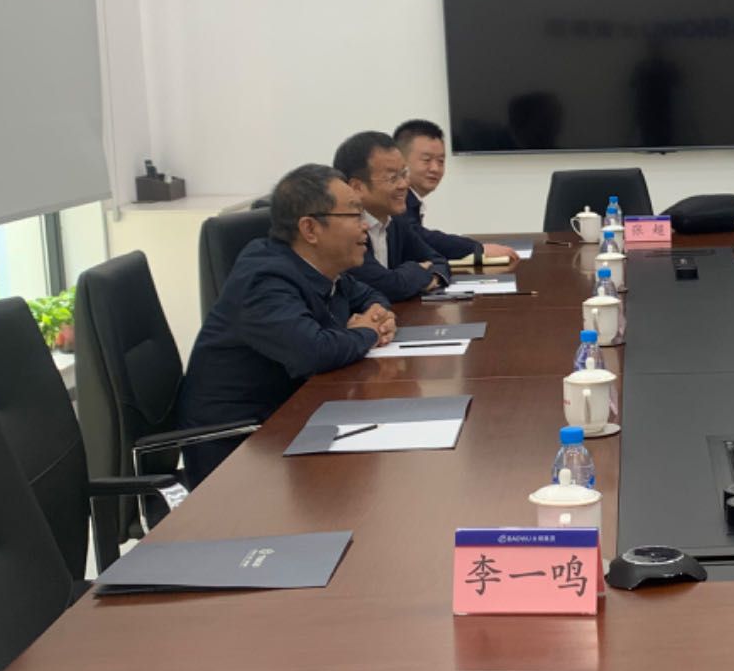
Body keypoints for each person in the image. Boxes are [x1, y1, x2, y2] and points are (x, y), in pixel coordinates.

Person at [177, 164, 396, 482]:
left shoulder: (321, 267)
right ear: (310, 229)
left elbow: (371, 296)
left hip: (290, 420)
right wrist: (368, 332)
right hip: (240, 449)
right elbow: (313, 352)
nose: (365, 226)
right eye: (354, 214)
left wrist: (379, 315)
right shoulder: (265, 279)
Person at [333, 131, 453, 301]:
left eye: (403, 174)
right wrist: (415, 272)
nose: (404, 185)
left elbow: (438, 261)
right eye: (392, 178)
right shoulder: (344, 229)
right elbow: (386, 286)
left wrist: (430, 277)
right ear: (357, 187)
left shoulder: (396, 221)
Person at [393, 119, 523, 267]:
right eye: (426, 160)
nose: (435, 168)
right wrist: (476, 248)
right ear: (400, 161)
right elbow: (417, 237)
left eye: (441, 161)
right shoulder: (395, 199)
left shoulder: (410, 199)